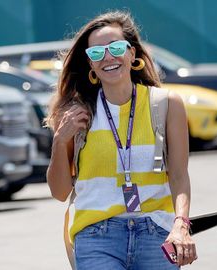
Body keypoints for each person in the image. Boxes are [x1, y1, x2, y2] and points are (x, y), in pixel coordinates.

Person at [45, 11, 197, 269]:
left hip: (156, 232)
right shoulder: (78, 113)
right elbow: (60, 192)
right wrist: (60, 141)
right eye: (96, 53)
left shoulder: (165, 104)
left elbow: (179, 176)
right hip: (96, 236)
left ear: (132, 53)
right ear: (90, 65)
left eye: (115, 48)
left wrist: (181, 225)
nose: (107, 58)